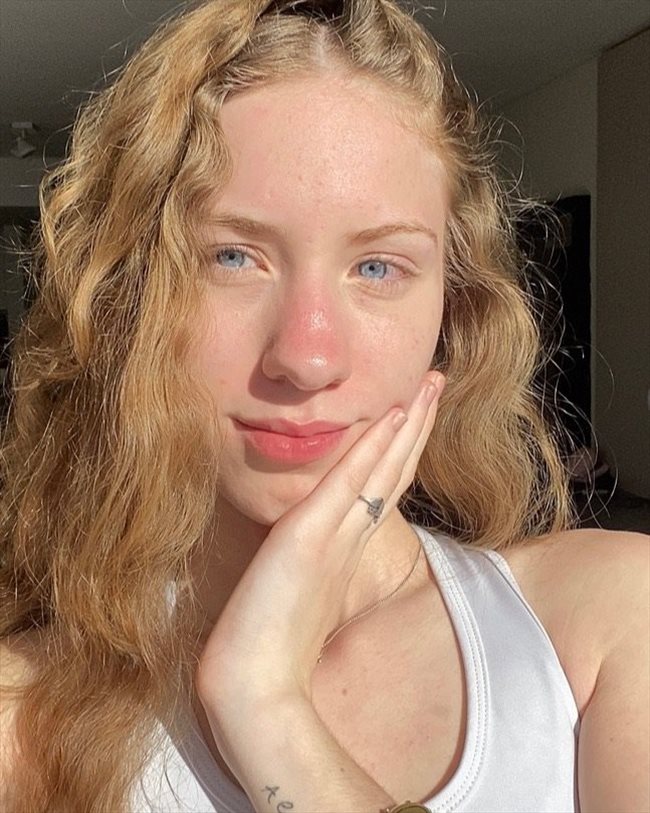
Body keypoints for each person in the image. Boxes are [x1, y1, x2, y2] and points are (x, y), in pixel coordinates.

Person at [0, 0, 648, 811]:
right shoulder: (23, 720)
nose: (307, 357)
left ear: (453, 309)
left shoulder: (608, 622)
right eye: (232, 256)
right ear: (126, 298)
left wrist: (265, 703)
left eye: (377, 267)